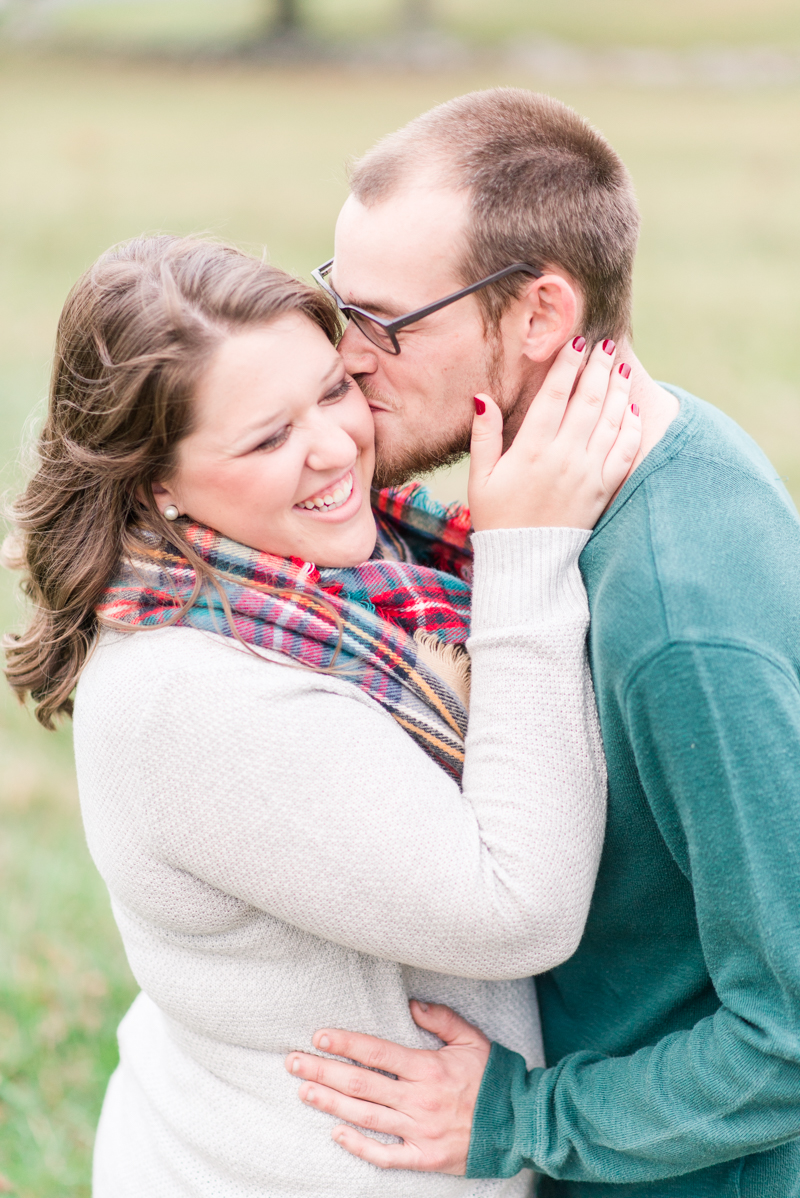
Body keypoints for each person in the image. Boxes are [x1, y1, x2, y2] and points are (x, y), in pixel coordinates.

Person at [3, 233, 640, 1197]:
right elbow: (520, 909)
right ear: (157, 484)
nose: (337, 446)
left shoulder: (361, 578)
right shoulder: (192, 699)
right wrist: (531, 558)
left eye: (335, 388)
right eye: (267, 439)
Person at [284, 88, 800, 1196]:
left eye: (385, 323)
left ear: (537, 317)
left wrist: (522, 1116)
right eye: (340, 303)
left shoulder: (678, 609)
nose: (346, 358)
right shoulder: (564, 492)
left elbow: (789, 1034)